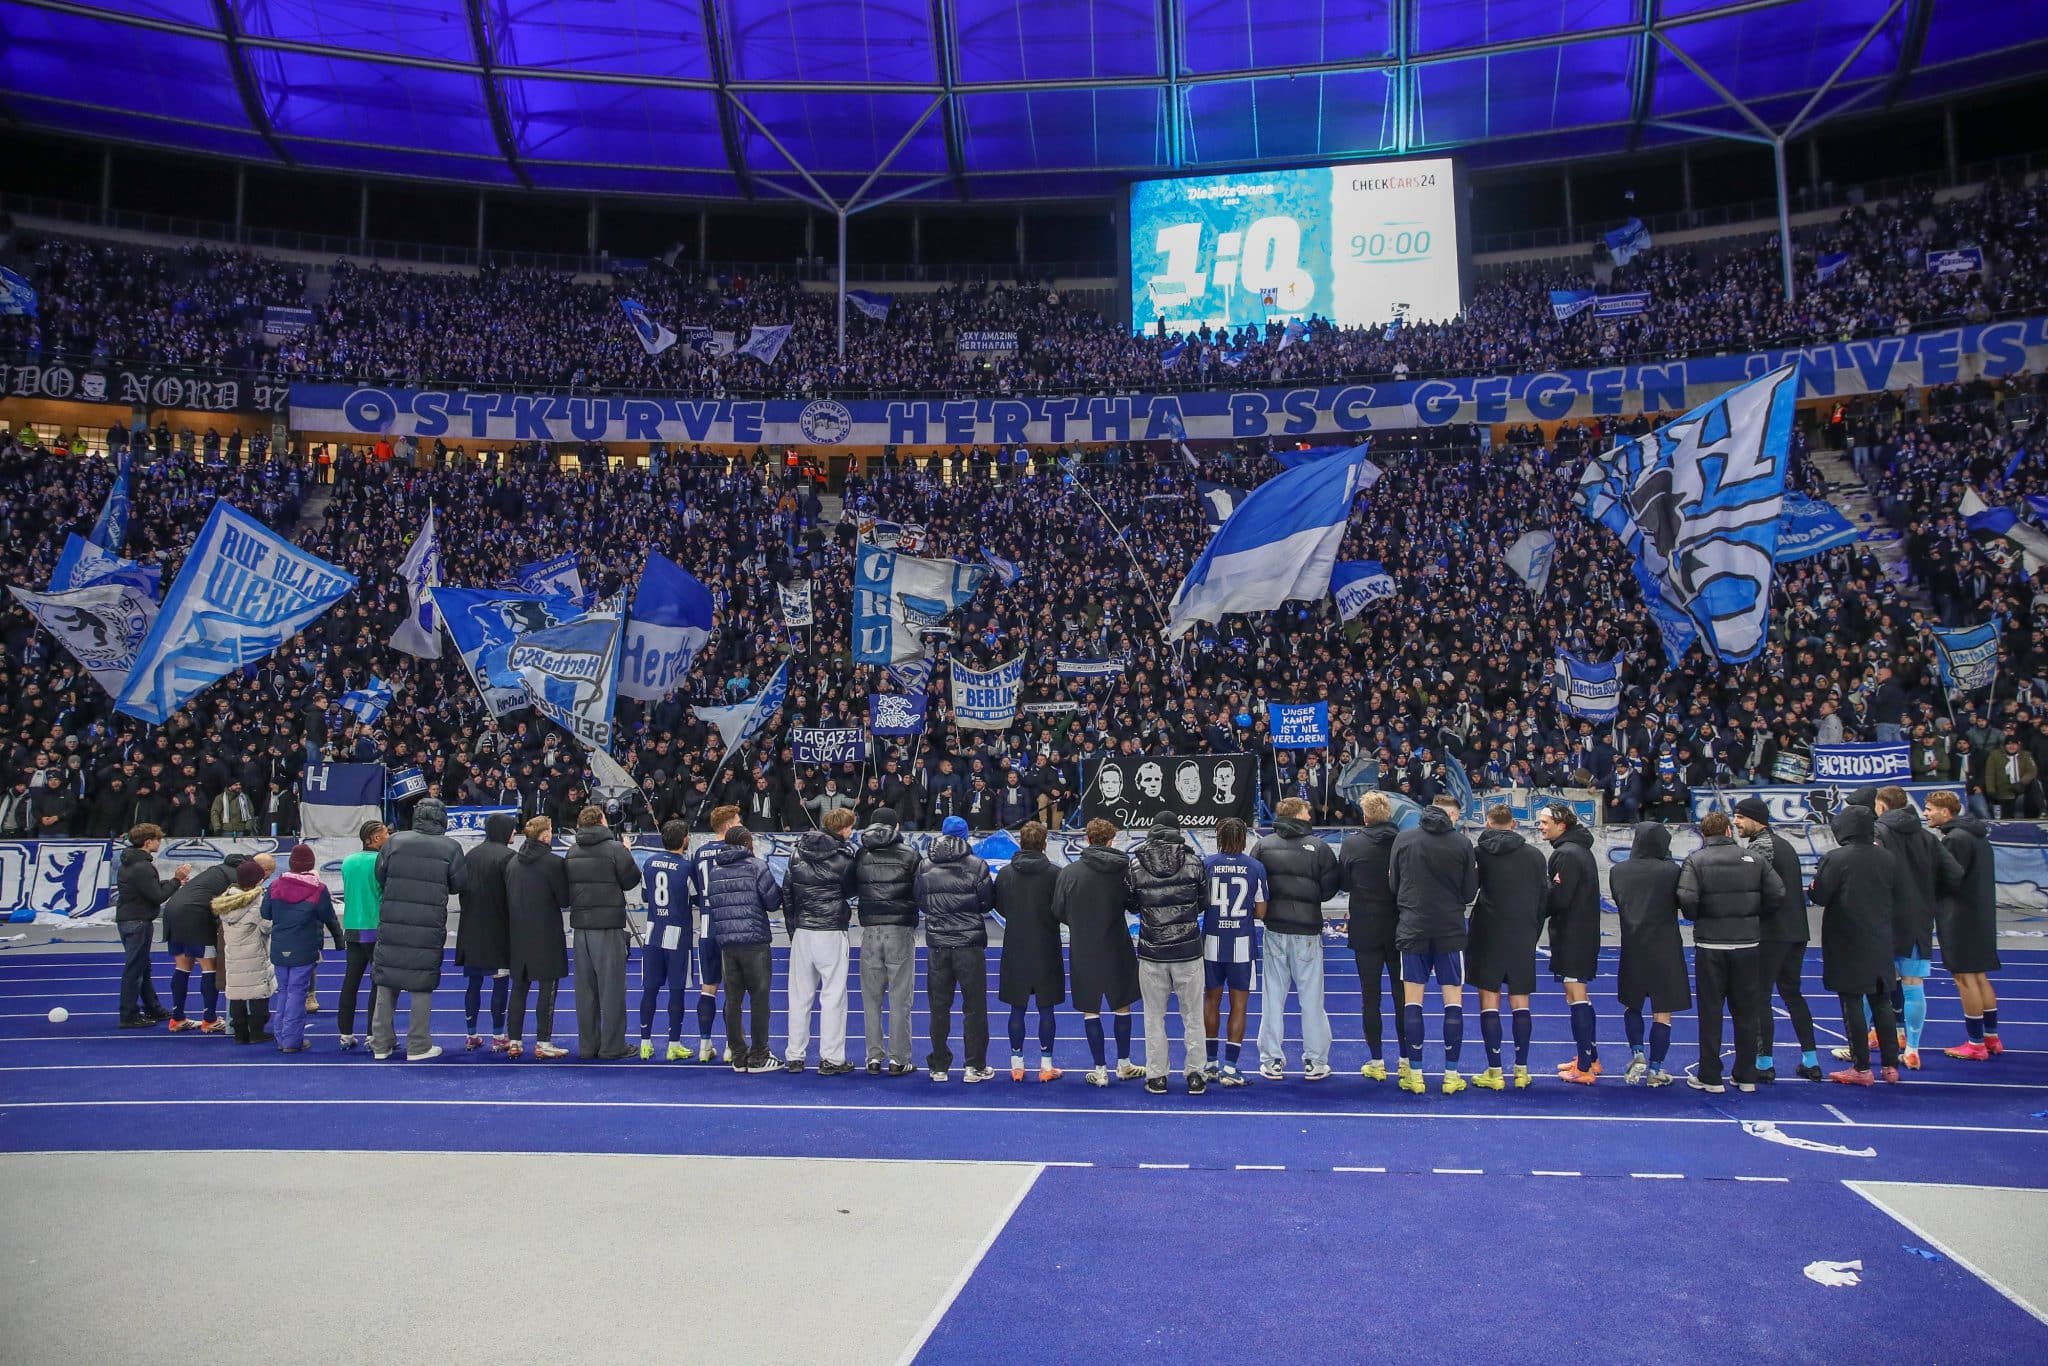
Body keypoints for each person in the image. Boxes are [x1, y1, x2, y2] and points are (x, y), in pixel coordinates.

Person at [1676, 810, 1782, 1095]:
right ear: (1727, 831)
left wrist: (1700, 915)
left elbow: (1686, 897)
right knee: (1746, 1012)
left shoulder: (1696, 860)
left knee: (1710, 1013)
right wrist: (1753, 914)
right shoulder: (1754, 859)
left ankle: (1711, 1076)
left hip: (1711, 945)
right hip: (1747, 945)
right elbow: (1778, 892)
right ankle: (1746, 1074)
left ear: (1704, 834)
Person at [1388, 794, 1478, 1095]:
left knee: (1413, 1000)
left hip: (1413, 927)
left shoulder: (1404, 838)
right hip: (1450, 929)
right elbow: (1469, 892)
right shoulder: (1462, 844)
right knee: (1453, 1001)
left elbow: (1393, 885)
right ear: (1451, 815)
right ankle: (1451, 1075)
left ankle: (1415, 1074)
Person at [371, 797, 469, 1062]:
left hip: (392, 919)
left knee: (386, 981)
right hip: (427, 922)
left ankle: (380, 1043)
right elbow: (459, 883)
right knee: (421, 983)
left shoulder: (395, 841)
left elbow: (380, 875)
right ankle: (417, 1045)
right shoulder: (450, 847)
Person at [1812, 803, 1904, 1084]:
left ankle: (1861, 1067)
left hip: (1847, 938)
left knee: (1851, 1001)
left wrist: (1813, 889)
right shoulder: (1888, 858)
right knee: (1882, 1001)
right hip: (1880, 935)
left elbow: (1821, 895)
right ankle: (1890, 1066)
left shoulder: (1837, 858)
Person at [1873, 786, 1962, 1069]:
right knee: (1913, 985)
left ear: (1883, 807)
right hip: (1917, 920)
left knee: (1870, 984)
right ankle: (1912, 1047)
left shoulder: (1878, 833)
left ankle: (1862, 1043)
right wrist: (1927, 896)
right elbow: (1955, 874)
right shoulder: (1928, 837)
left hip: (1884, 920)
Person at [1251, 796, 1339, 1081]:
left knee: (1273, 997)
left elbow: (1256, 887)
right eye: (1307, 809)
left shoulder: (1263, 846)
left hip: (1275, 928)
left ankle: (1272, 1059)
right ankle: (1315, 1061)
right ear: (1298, 814)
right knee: (1312, 999)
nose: (1311, 813)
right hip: (1307, 931)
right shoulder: (1320, 848)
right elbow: (1328, 891)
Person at [1733, 797, 1821, 1081]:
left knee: (1760, 997)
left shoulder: (1761, 846)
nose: (1736, 823)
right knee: (1793, 995)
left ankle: (1763, 1063)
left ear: (1756, 819)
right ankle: (1811, 1059)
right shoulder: (1784, 845)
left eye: (1740, 817)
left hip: (1772, 932)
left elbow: (1750, 888)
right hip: (1796, 930)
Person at [1054, 817, 1143, 1087]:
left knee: (1090, 1009)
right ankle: (1124, 1064)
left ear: (1088, 839)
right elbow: (1134, 904)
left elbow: (1057, 910)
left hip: (1084, 945)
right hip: (1116, 942)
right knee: (1122, 1004)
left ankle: (1100, 1070)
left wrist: (1080, 923)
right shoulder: (1123, 870)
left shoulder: (1070, 873)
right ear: (1111, 840)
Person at [1126, 812, 1209, 1096]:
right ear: (1177, 830)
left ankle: (1157, 1075)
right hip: (1188, 949)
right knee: (1193, 1015)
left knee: (1153, 1016)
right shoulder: (1194, 861)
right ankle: (1196, 1073)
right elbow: (1203, 903)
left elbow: (1132, 904)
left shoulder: (1136, 864)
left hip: (1152, 950)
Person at [1466, 804, 1546, 1090]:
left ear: (1488, 824)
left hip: (1488, 931)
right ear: (1513, 824)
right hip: (1521, 932)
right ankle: (1522, 1070)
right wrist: (1532, 931)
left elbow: (1468, 891)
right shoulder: (1535, 855)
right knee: (1520, 1001)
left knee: (1489, 1001)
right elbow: (1542, 899)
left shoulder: (1479, 853)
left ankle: (1495, 1071)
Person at [1608, 822, 1688, 1087]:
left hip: (1633, 943)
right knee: (1662, 1010)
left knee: (1632, 1003)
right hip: (1665, 945)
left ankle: (1637, 1052)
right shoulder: (1671, 871)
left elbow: (1620, 900)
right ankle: (1656, 1068)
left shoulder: (1618, 871)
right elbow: (1681, 902)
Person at [918, 814, 996, 1083]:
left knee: (938, 1007)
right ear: (965, 836)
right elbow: (986, 903)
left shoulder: (925, 865)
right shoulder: (977, 865)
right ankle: (974, 1066)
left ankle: (939, 1065)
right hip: (969, 945)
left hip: (938, 944)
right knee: (974, 1007)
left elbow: (922, 902)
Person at [1926, 791, 2003, 1060]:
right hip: (1980, 914)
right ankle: (1991, 1038)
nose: (1926, 814)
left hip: (1959, 916)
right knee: (1980, 977)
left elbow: (1949, 878)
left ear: (1946, 812)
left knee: (1965, 979)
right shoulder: (1978, 836)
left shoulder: (1955, 839)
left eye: (1930, 809)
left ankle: (1975, 1044)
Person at [782, 807, 858, 1075]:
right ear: (842, 829)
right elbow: (851, 891)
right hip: (831, 930)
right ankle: (832, 1058)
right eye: (850, 827)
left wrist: (794, 931)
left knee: (799, 996)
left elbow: (787, 894)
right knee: (833, 996)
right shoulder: (844, 858)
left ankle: (794, 1056)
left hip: (803, 931)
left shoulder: (796, 853)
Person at [565, 804, 642, 1061]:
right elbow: (630, 880)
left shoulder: (572, 851)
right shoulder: (615, 849)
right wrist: (628, 853)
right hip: (607, 925)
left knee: (585, 991)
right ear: (601, 820)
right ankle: (612, 1046)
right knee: (611, 989)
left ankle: (588, 1045)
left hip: (581, 928)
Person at [702, 825, 781, 1073]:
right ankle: (758, 1055)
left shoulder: (715, 871)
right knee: (759, 998)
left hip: (727, 944)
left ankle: (738, 1055)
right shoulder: (756, 866)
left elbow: (713, 904)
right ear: (748, 843)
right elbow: (772, 901)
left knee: (733, 1000)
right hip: (754, 941)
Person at [1337, 794, 1402, 1081]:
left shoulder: (1352, 843)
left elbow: (1344, 882)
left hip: (1365, 926)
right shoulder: (1404, 841)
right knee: (1404, 997)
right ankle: (1405, 1060)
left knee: (1370, 998)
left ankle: (1377, 1061)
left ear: (1365, 816)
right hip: (1400, 926)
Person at [854, 807, 922, 1076]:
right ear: (896, 827)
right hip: (899, 930)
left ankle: (873, 1057)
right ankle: (898, 1059)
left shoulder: (862, 853)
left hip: (870, 931)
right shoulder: (909, 854)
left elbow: (850, 885)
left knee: (871, 1000)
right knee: (900, 997)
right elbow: (919, 890)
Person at [995, 820, 1065, 1082]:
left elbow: (999, 907)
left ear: (1021, 842)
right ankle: (1046, 1066)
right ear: (1044, 843)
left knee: (1017, 1008)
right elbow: (1061, 909)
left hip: (1016, 945)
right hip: (1046, 945)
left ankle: (1017, 1065)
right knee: (1047, 1009)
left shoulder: (1005, 874)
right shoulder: (1056, 874)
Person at [1200, 817, 1267, 1087]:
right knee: (1239, 1005)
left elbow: (1199, 902)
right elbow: (1262, 911)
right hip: (1241, 943)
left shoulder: (1207, 864)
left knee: (1210, 1000)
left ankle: (1211, 1063)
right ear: (1243, 838)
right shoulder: (1255, 867)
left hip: (1212, 942)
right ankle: (1230, 1067)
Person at [1539, 804, 1602, 1083]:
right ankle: (1590, 1057)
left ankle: (1586, 1068)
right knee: (1578, 996)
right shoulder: (1575, 850)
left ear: (1561, 825)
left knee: (1577, 996)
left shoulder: (1566, 854)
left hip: (1574, 934)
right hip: (1578, 932)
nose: (1540, 826)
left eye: (1544, 822)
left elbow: (1560, 898)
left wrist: (1535, 906)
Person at [263, 844, 343, 1053]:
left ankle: (281, 1036)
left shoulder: (275, 886)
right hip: (304, 946)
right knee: (298, 993)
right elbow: (327, 915)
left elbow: (266, 913)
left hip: (280, 946)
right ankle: (291, 1040)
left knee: (284, 991)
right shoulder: (318, 888)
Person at [504, 816, 572, 1059]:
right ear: (545, 836)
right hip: (546, 933)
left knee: (519, 989)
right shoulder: (553, 863)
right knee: (547, 989)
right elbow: (564, 899)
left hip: (518, 933)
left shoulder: (512, 862)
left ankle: (514, 1040)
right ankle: (543, 1041)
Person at [455, 812, 518, 1052]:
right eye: (512, 828)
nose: (514, 832)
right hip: (498, 929)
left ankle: (471, 1034)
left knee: (474, 981)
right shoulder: (508, 856)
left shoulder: (471, 854)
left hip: (470, 926)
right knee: (500, 981)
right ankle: (499, 1035)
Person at [637, 820, 697, 1062]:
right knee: (676, 989)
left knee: (649, 988)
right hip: (677, 933)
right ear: (684, 839)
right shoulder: (686, 867)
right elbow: (696, 898)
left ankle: (644, 1042)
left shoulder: (649, 863)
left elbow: (643, 895)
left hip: (653, 932)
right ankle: (673, 1044)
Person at [114, 823, 185, 1027]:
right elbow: (157, 896)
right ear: (148, 842)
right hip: (138, 921)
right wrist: (177, 881)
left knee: (142, 967)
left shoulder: (129, 863)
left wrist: (172, 882)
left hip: (128, 918)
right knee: (135, 969)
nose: (159, 843)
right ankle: (128, 1014)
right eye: (157, 840)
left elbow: (146, 890)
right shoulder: (143, 866)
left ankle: (152, 1006)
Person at [160, 853, 239, 1035]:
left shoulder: (214, 871)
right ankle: (210, 1019)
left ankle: (177, 1018)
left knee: (182, 966)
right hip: (196, 916)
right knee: (209, 967)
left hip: (172, 911)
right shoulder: (236, 877)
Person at [690, 805, 741, 1063]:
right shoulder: (735, 850)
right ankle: (732, 1045)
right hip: (729, 925)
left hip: (707, 926)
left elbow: (694, 891)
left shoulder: (700, 852)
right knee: (733, 989)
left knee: (708, 988)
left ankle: (704, 1044)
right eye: (738, 820)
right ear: (729, 825)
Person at [337, 821, 387, 1051]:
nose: (388, 836)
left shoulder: (348, 861)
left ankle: (345, 1033)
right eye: (385, 833)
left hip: (352, 927)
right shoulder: (380, 861)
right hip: (375, 927)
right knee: (378, 984)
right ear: (374, 838)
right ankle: (372, 1034)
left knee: (351, 982)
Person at [213, 859, 273, 1044]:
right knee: (258, 994)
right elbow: (267, 927)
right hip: (254, 955)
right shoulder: (257, 903)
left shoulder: (227, 901)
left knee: (237, 993)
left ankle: (240, 1034)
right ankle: (256, 1033)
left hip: (233, 954)